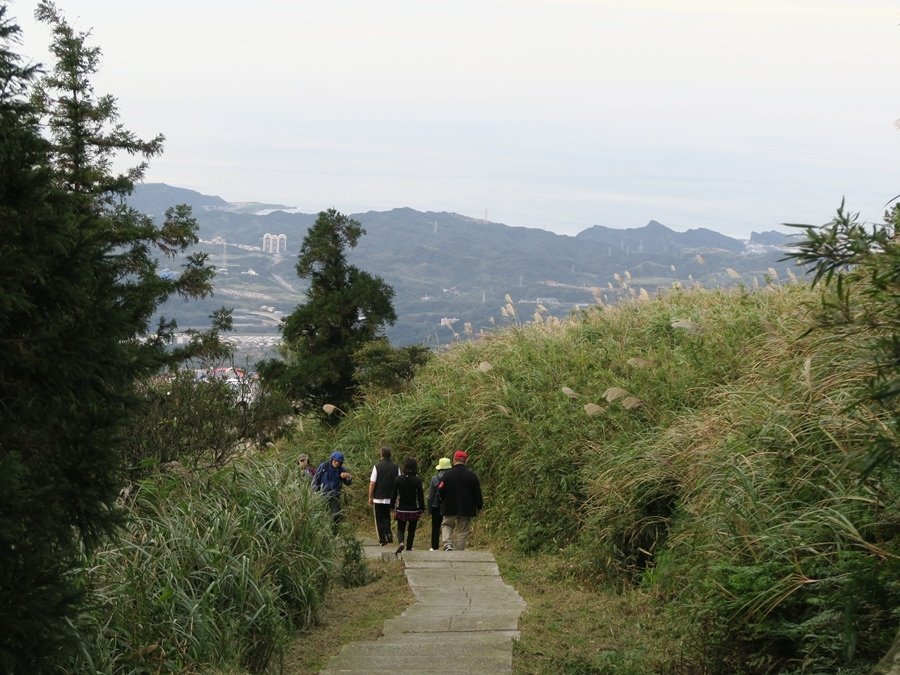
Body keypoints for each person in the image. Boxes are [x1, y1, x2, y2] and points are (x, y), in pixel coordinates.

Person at [438, 450, 483, 551]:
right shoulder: (472, 475)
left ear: (454, 460)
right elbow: (477, 493)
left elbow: (440, 489)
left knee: (447, 524)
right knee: (462, 530)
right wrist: (479, 507)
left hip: (449, 506)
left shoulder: (447, 474)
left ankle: (448, 544)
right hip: (466, 508)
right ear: (465, 461)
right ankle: (459, 550)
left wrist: (442, 499)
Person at [392, 457, 425, 556]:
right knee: (412, 530)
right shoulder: (417, 480)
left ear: (404, 467)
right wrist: (422, 508)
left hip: (401, 508)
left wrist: (391, 506)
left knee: (400, 528)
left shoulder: (398, 479)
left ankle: (401, 542)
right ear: (415, 467)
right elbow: (420, 496)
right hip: (413, 509)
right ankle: (409, 547)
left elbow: (393, 494)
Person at [312, 450, 352, 528]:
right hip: (322, 495)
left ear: (341, 463)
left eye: (339, 462)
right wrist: (314, 492)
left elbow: (348, 483)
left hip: (334, 495)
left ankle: (334, 532)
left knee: (336, 515)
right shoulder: (324, 466)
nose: (336, 463)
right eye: (335, 461)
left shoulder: (341, 470)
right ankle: (322, 531)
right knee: (321, 515)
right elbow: (316, 479)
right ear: (332, 459)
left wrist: (348, 477)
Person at [368, 446, 399, 545]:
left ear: (381, 455)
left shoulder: (377, 467)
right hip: (390, 498)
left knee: (379, 519)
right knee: (387, 517)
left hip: (378, 498)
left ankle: (382, 539)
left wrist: (370, 496)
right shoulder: (396, 467)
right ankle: (388, 534)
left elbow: (372, 483)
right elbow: (398, 482)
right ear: (390, 455)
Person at [427, 457, 452, 550]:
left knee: (435, 527)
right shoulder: (451, 478)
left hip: (435, 506)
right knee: (448, 525)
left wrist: (429, 509)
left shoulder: (434, 478)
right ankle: (448, 544)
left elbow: (430, 496)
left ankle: (434, 547)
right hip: (448, 505)